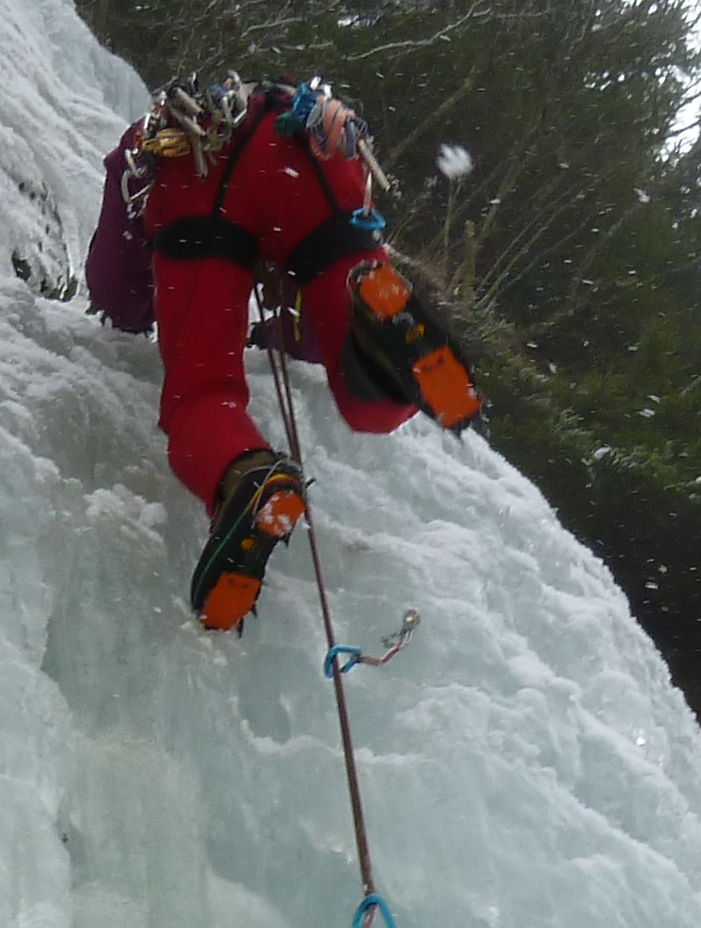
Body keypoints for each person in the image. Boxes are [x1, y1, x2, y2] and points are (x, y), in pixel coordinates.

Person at [84, 74, 482, 627]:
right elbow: (309, 340)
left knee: (200, 397)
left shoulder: (142, 143)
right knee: (364, 390)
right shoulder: (295, 119)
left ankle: (248, 475)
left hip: (200, 160)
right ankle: (380, 314)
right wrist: (281, 333)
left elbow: (115, 290)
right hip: (318, 149)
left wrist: (144, 310)